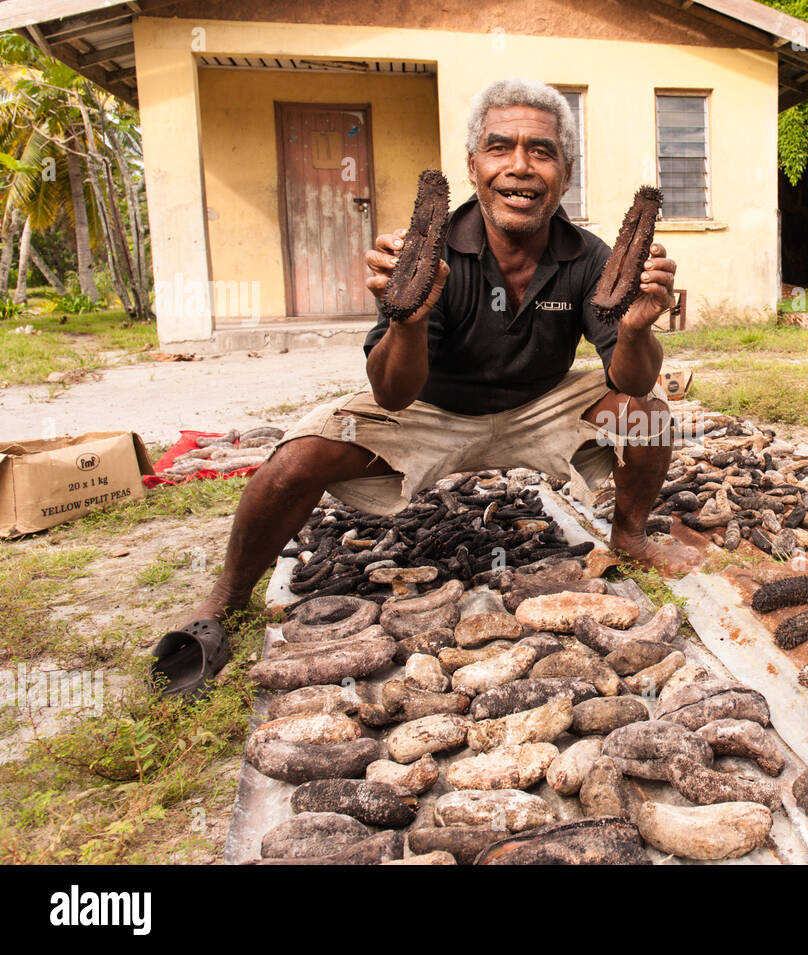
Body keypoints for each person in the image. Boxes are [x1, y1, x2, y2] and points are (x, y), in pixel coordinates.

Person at [149, 77, 699, 697]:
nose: (520, 166)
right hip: (429, 408)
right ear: (473, 166)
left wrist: (634, 331)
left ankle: (628, 535)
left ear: (565, 175)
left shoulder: (591, 255)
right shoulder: (428, 250)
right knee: (294, 459)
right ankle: (225, 597)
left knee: (648, 412)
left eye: (541, 152)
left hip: (538, 406)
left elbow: (633, 378)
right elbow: (389, 394)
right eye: (500, 148)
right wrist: (407, 318)